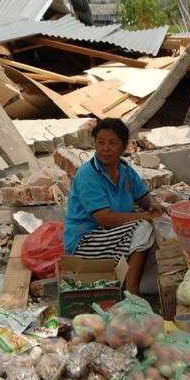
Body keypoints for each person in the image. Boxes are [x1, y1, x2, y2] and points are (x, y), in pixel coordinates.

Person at [64, 118, 164, 295]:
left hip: (110, 235)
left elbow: (142, 197)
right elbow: (105, 218)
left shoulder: (124, 169)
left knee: (161, 225)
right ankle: (131, 291)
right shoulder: (88, 174)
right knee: (142, 227)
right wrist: (145, 217)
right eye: (100, 143)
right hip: (86, 240)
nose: (105, 148)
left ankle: (135, 281)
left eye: (112, 143)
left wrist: (155, 206)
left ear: (124, 146)